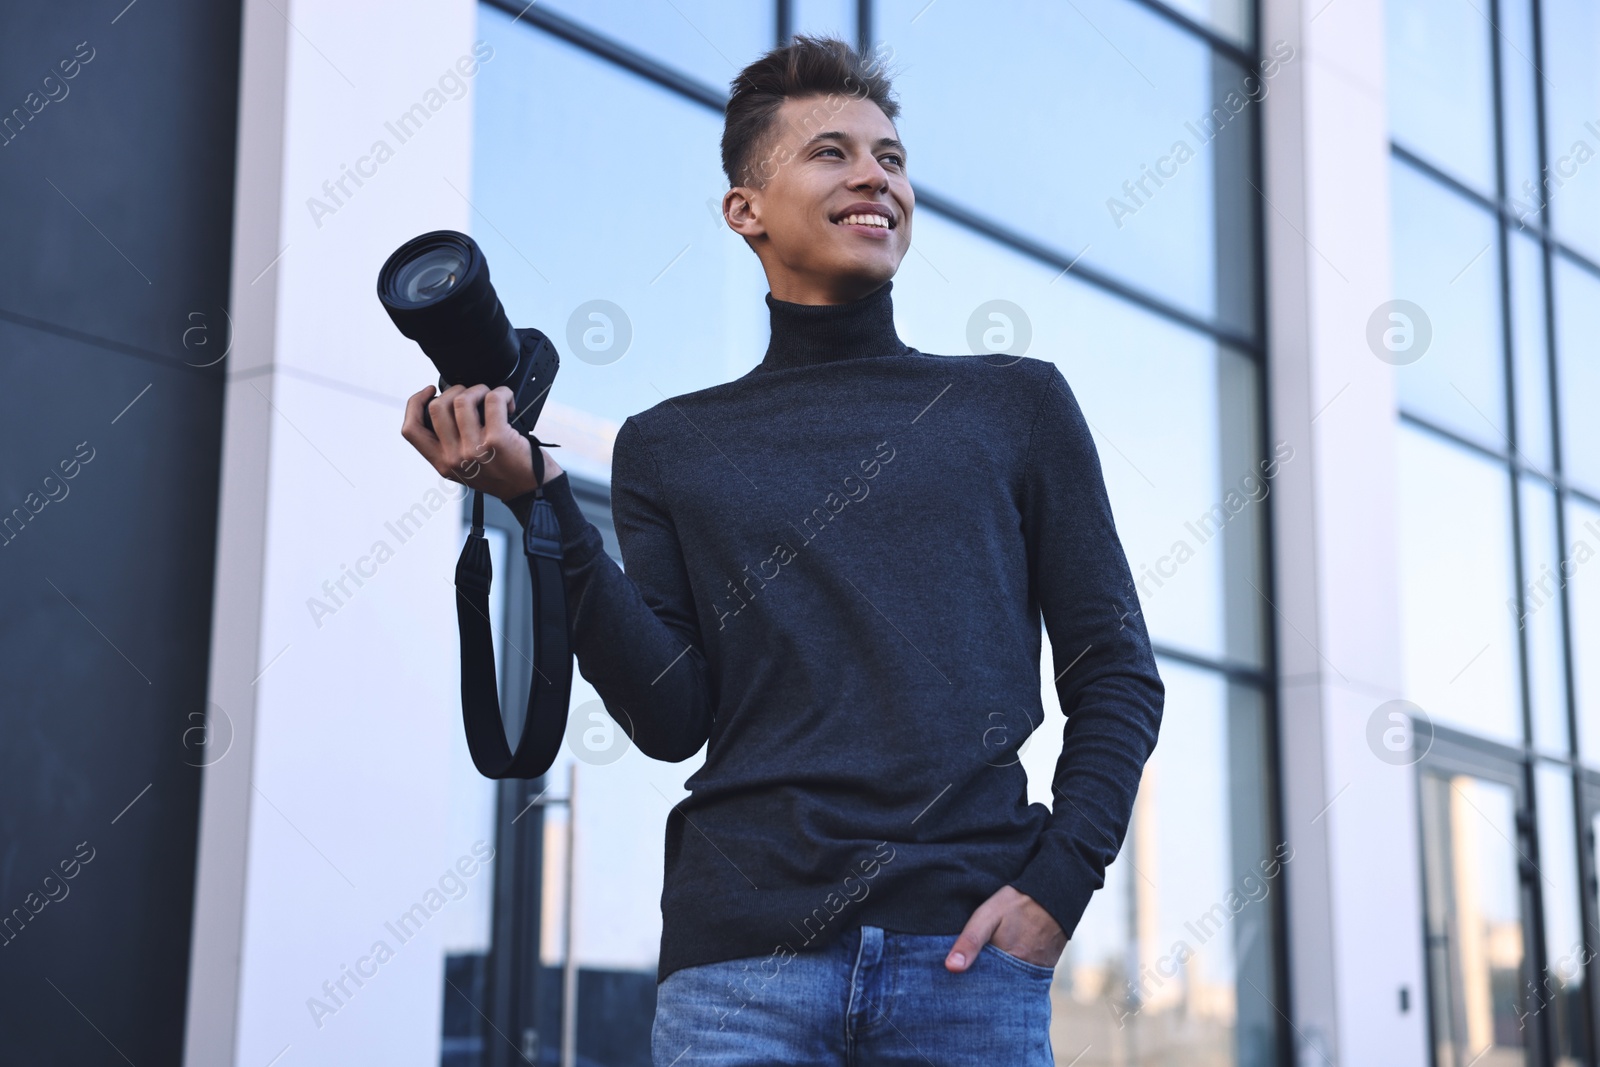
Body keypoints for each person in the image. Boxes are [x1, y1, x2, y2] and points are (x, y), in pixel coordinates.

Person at [401, 34, 1163, 1067]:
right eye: (832, 153)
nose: (873, 177)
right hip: (737, 974)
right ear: (744, 209)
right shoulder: (671, 444)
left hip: (963, 962)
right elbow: (672, 718)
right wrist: (545, 507)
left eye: (890, 158)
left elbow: (1114, 669)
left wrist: (1057, 887)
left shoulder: (1013, 405)